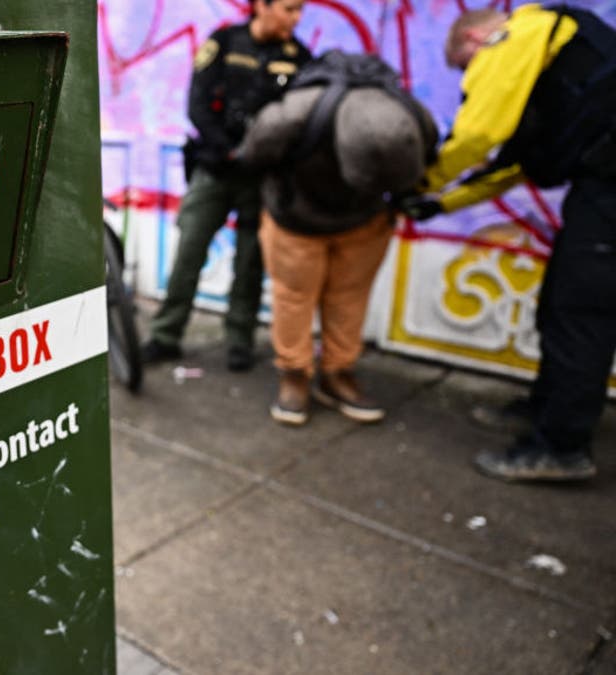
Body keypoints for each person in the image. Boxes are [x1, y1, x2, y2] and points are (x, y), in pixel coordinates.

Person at [401, 6, 616, 481]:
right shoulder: (549, 68)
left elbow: (478, 133)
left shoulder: (522, 31)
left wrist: (422, 180)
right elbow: (511, 165)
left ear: (477, 39)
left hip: (610, 188)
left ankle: (561, 448)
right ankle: (549, 411)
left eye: (465, 66)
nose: (473, 79)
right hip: (601, 187)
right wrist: (438, 204)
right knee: (564, 300)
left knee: (580, 312)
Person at [234, 51, 438, 425]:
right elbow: (252, 152)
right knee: (293, 299)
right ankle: (294, 373)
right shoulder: (296, 113)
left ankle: (337, 373)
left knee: (350, 298)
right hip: (295, 219)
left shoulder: (415, 119)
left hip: (366, 222)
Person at [141, 0, 309, 372]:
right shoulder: (225, 42)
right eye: (289, 8)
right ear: (261, 6)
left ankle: (239, 341)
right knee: (189, 252)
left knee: (250, 262)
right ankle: (166, 336)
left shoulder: (298, 57)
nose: (296, 18)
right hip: (215, 170)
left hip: (261, 178)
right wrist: (228, 150)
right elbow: (197, 104)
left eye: (300, 10)